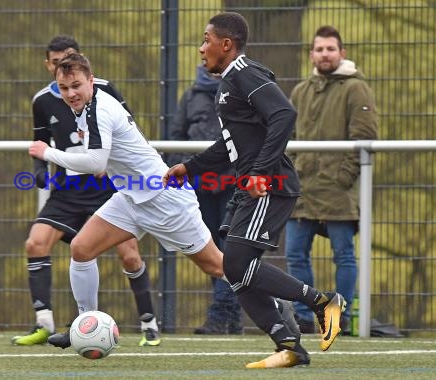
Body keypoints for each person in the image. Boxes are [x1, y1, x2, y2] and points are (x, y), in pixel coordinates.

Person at [29, 52, 302, 357]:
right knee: (80, 248)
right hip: (132, 197)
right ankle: (84, 325)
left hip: (164, 200)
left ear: (91, 81)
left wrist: (46, 153)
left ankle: (278, 303)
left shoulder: (99, 109)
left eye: (76, 85)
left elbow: (95, 163)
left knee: (217, 265)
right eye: (64, 88)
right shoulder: (87, 106)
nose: (70, 94)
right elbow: (104, 160)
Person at [164, 12, 347, 368]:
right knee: (234, 268)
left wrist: (261, 172)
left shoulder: (244, 74)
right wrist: (191, 166)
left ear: (226, 44)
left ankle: (323, 303)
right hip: (251, 187)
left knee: (236, 263)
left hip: (270, 186)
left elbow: (284, 114)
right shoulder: (228, 83)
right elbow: (229, 143)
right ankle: (290, 345)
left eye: (206, 40)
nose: (202, 49)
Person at [11, 36, 160, 347]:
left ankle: (149, 323)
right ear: (49, 66)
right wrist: (40, 173)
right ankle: (46, 323)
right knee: (36, 243)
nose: (64, 73)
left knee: (130, 254)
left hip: (107, 186)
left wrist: (106, 160)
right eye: (56, 64)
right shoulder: (42, 101)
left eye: (69, 62)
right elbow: (39, 143)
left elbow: (128, 129)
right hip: (68, 190)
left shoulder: (102, 92)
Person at [285, 25, 378, 335]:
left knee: (344, 255)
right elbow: (292, 137)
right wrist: (295, 172)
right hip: (303, 188)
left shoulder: (356, 88)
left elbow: (365, 136)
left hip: (338, 190)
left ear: (342, 53)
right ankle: (305, 316)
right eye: (320, 49)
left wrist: (343, 177)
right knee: (295, 253)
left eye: (330, 49)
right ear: (312, 53)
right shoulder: (300, 90)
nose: (325, 54)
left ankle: (341, 316)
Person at [167, 64, 242, 335]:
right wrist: (178, 172)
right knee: (210, 249)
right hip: (199, 184)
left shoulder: (240, 90)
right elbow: (177, 135)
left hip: (234, 182)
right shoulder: (191, 96)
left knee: (231, 247)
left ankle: (220, 315)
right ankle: (232, 318)